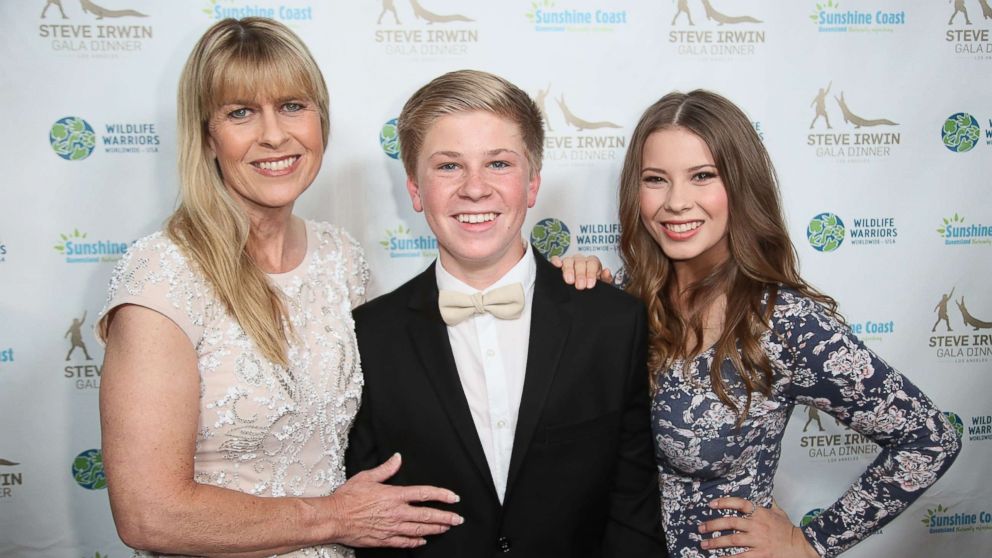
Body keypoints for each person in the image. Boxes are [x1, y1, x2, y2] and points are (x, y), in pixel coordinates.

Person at [95, 18, 466, 557]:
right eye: (240, 112)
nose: (274, 134)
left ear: (320, 120)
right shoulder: (164, 275)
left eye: (293, 105)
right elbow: (149, 515)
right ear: (206, 135)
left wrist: (554, 286)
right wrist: (333, 518)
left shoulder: (341, 259)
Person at [617, 90, 961, 557]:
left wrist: (810, 543)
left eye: (702, 176)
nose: (677, 201)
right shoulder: (624, 297)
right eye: (655, 179)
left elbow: (929, 438)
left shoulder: (784, 322)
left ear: (739, 185)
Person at [345, 70, 667, 557]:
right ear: (414, 190)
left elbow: (633, 509)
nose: (475, 189)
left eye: (498, 163)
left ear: (533, 183)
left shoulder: (611, 322)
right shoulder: (370, 335)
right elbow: (372, 523)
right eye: (449, 166)